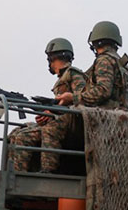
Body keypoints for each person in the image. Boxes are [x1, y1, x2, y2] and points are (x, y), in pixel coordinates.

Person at [8, 38, 87, 174]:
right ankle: (12, 172)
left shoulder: (74, 75)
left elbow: (81, 100)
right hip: (60, 120)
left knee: (23, 137)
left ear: (53, 58)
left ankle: (34, 173)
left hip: (70, 124)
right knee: (16, 133)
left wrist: (52, 113)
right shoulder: (64, 77)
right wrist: (47, 113)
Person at [57, 21, 128, 110]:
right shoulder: (119, 62)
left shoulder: (104, 60)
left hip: (101, 115)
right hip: (116, 114)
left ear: (96, 42)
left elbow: (103, 91)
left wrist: (73, 98)